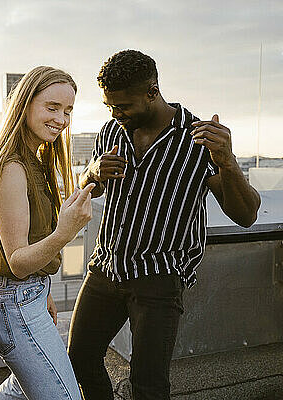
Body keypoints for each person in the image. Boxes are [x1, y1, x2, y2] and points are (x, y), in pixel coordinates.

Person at [68, 49, 261, 400]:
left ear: (152, 92)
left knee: (149, 387)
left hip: (158, 278)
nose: (115, 114)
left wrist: (228, 162)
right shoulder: (112, 130)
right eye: (109, 106)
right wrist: (91, 172)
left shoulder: (199, 140)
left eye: (123, 106)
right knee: (78, 361)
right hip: (106, 268)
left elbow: (246, 215)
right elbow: (88, 187)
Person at [0, 66, 94, 400]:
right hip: (15, 302)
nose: (61, 118)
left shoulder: (34, 160)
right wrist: (65, 233)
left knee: (23, 390)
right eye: (52, 107)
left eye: (68, 110)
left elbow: (27, 246)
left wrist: (44, 292)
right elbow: (16, 262)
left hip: (27, 296)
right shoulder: (12, 167)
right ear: (26, 104)